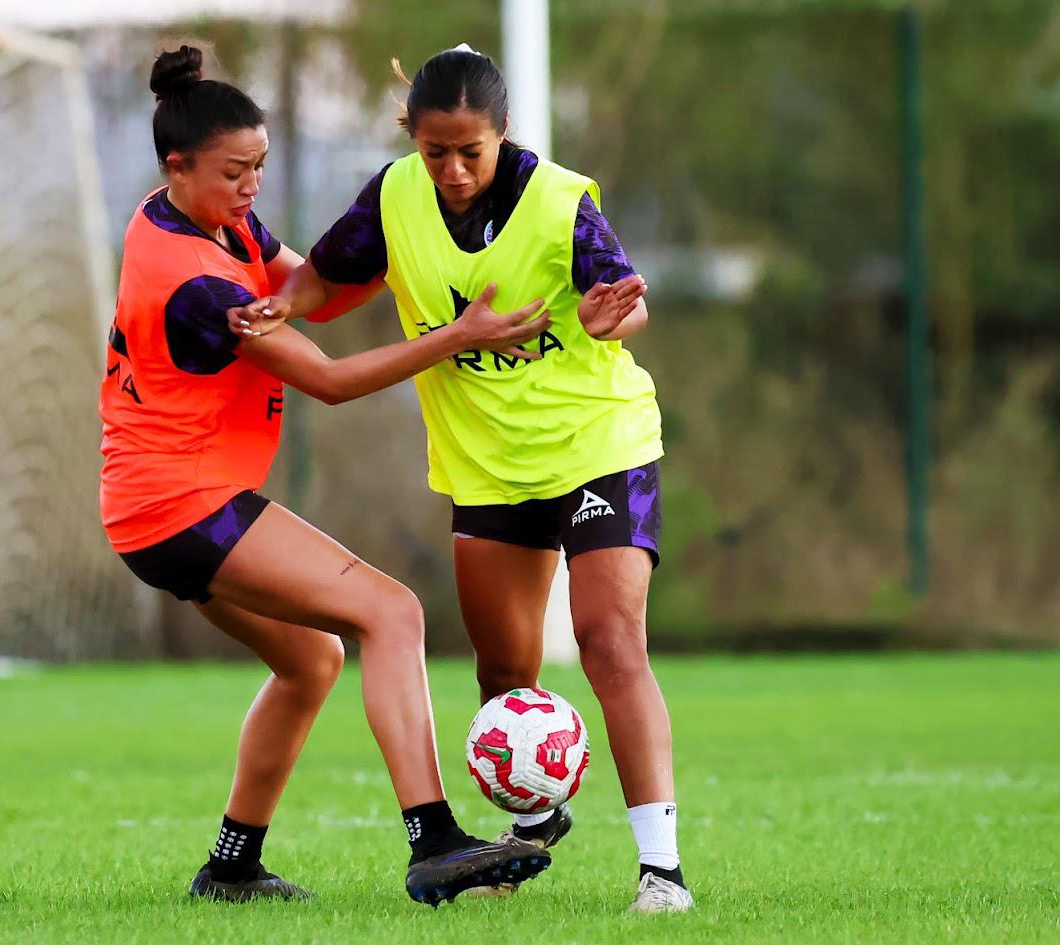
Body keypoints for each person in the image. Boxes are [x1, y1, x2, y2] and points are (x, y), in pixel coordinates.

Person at [231, 44, 693, 913]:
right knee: (503, 675)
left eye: (468, 151)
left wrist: (612, 316)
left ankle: (660, 873)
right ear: (410, 135)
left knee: (607, 640)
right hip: (486, 463)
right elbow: (328, 275)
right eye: (433, 149)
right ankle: (533, 821)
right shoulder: (394, 192)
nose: (449, 169)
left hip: (600, 443)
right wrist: (286, 302)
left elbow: (624, 299)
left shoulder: (561, 200)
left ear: (503, 134)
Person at [99, 44, 555, 906]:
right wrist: (459, 334)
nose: (251, 188)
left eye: (260, 168)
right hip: (182, 506)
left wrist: (410, 240)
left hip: (153, 507)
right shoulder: (192, 280)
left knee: (311, 660)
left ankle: (232, 865)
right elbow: (333, 380)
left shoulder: (200, 219)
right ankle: (435, 840)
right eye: (236, 171)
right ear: (177, 166)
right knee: (392, 612)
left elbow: (315, 285)